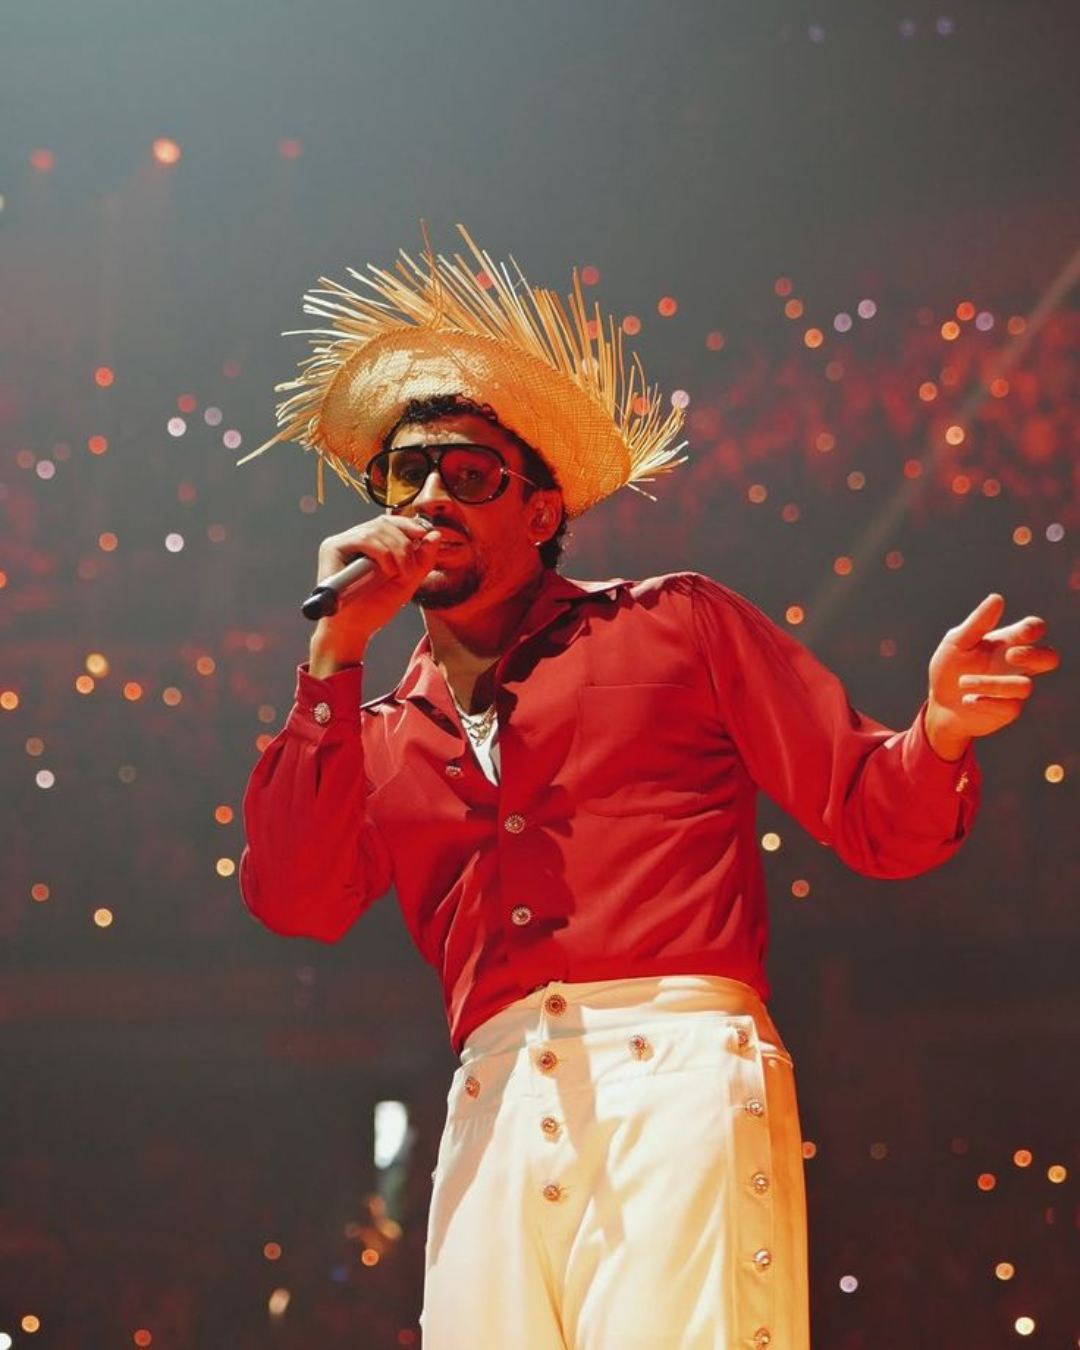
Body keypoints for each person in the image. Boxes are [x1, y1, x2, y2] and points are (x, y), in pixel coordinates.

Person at [239, 229, 1058, 1350]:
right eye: (405, 473)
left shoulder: (677, 624)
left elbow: (877, 815)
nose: (429, 495)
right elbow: (296, 900)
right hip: (491, 1101)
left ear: (540, 512)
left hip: (676, 1082)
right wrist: (333, 655)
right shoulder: (374, 733)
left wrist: (944, 729)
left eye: (469, 474)